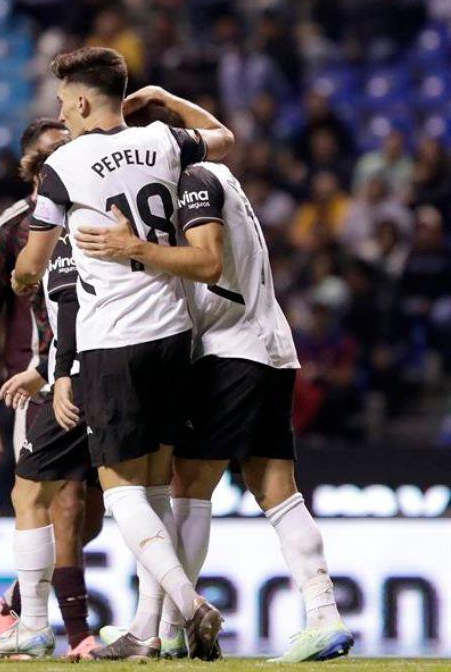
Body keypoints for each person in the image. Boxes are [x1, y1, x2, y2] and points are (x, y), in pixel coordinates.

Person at [79, 128, 354, 663]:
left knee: (187, 487)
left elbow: (207, 262)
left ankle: (160, 628)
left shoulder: (194, 182)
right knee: (278, 491)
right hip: (270, 347)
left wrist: (134, 248)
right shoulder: (220, 176)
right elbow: (221, 135)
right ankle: (325, 616)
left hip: (230, 350)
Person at [12, 47, 233, 661]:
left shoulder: (62, 164)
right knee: (156, 487)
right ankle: (149, 632)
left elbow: (34, 260)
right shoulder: (164, 140)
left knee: (120, 492)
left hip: (112, 340)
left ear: (82, 101)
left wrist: (21, 278)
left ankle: (191, 604)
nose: (62, 112)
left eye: (64, 101)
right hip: (174, 335)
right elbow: (224, 137)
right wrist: (162, 97)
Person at [0, 118, 103, 643]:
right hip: (38, 383)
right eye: (50, 154)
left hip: (98, 373)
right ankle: (77, 637)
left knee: (91, 518)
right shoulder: (10, 229)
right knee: (62, 504)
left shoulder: (95, 215)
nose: (62, 159)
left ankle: (13, 603)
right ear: (30, 168)